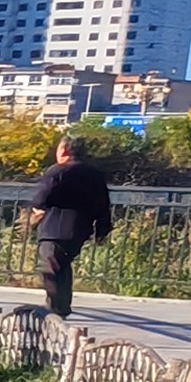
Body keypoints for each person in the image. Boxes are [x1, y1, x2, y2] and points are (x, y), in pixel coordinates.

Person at [24, 135, 114, 317]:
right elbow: (104, 204)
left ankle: (55, 308)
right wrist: (102, 230)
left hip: (54, 228)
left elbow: (41, 198)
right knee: (62, 266)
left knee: (50, 267)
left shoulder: (59, 171)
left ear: (64, 150)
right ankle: (62, 306)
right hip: (81, 228)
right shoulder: (95, 174)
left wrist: (35, 210)